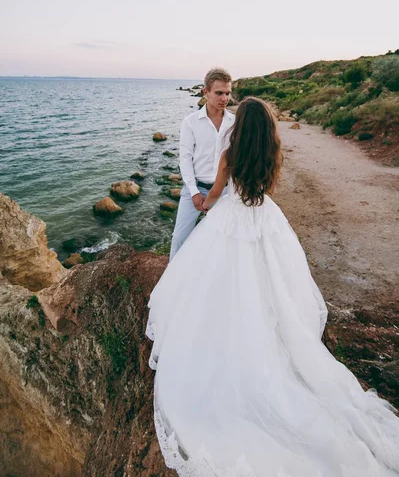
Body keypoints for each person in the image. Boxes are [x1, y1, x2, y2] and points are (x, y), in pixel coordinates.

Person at [147, 97, 399, 477]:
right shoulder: (273, 151)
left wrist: (202, 205)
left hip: (230, 217)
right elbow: (267, 189)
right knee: (271, 283)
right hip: (264, 217)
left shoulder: (229, 154)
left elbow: (216, 192)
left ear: (241, 126)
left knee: (218, 282)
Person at [169, 67, 235, 260]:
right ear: (205, 92)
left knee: (223, 239)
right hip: (195, 190)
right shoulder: (190, 122)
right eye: (219, 93)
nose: (224, 98)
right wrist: (194, 191)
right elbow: (185, 158)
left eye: (228, 93)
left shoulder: (234, 122)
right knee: (180, 237)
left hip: (224, 192)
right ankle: (171, 281)